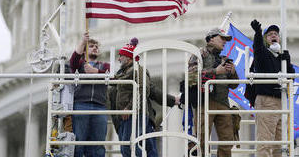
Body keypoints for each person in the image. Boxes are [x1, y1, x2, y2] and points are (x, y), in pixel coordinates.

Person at [113, 38, 180, 157]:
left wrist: (129, 108)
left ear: (128, 58)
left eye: (121, 56)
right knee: (143, 146)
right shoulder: (122, 73)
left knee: (132, 145)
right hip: (130, 115)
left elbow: (145, 90)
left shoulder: (138, 70)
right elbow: (151, 90)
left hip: (135, 113)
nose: (118, 59)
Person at [188, 27, 239, 157]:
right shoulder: (199, 54)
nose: (224, 42)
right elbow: (191, 76)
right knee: (202, 140)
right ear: (211, 39)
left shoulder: (224, 59)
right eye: (222, 38)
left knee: (227, 140)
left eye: (225, 39)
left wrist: (232, 73)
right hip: (205, 102)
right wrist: (216, 72)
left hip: (223, 103)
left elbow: (235, 85)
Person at [250, 19, 295, 157]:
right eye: (270, 34)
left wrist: (286, 61)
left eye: (276, 33)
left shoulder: (280, 58)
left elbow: (291, 77)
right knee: (265, 141)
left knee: (279, 144)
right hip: (266, 100)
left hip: (280, 101)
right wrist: (257, 33)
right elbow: (257, 48)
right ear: (265, 39)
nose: (274, 35)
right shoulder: (263, 54)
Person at [69, 32, 110, 157]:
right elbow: (73, 60)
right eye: (91, 46)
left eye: (96, 46)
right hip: (81, 104)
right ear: (85, 50)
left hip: (99, 105)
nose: (95, 48)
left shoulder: (104, 66)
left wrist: (96, 71)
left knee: (98, 143)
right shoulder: (80, 65)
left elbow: (112, 76)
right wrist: (82, 42)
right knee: (79, 141)